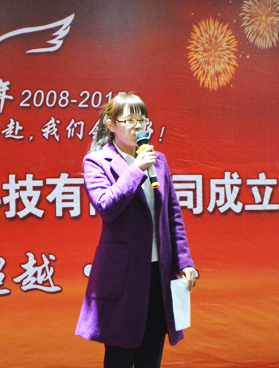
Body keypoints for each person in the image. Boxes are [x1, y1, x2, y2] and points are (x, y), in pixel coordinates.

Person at [75, 93, 198, 368]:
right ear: (111, 124)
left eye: (142, 120)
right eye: (130, 120)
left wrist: (185, 262)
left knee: (150, 358)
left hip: (159, 274)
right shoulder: (96, 161)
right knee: (119, 359)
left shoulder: (159, 161)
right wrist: (136, 169)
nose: (138, 126)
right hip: (123, 277)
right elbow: (107, 206)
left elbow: (172, 215)